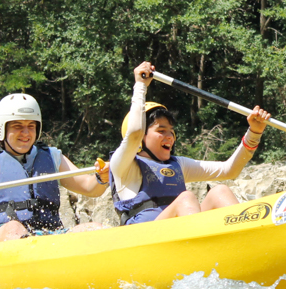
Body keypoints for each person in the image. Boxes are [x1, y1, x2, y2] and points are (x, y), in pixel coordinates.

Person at [0, 93, 109, 244]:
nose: (26, 133)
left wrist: (103, 177)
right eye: (17, 126)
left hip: (49, 236)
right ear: (2, 129)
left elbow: (89, 187)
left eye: (31, 126)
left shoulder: (53, 156)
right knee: (14, 228)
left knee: (95, 229)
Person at [109, 60, 270, 225]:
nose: (170, 136)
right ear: (141, 139)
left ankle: (245, 237)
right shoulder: (123, 166)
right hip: (144, 239)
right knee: (186, 198)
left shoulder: (178, 165)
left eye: (171, 131)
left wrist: (254, 132)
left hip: (178, 234)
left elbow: (229, 170)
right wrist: (140, 86)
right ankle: (201, 245)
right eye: (161, 131)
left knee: (219, 191)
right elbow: (134, 132)